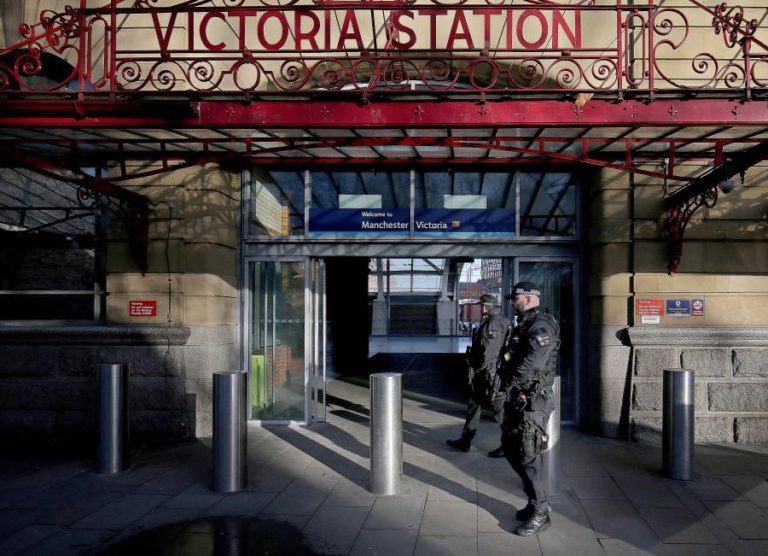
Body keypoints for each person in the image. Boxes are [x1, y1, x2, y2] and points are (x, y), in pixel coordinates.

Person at [499, 281, 560, 536]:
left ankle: (540, 510)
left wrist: (507, 383)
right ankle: (533, 501)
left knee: (527, 451)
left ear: (528, 298)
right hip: (521, 397)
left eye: (515, 298)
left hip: (535, 399)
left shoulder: (540, 325)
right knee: (511, 447)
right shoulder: (524, 324)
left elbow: (533, 364)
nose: (512, 302)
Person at [446, 293, 510, 456]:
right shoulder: (499, 320)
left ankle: (510, 446)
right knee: (474, 405)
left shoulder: (493, 324)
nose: (480, 307)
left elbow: (490, 353)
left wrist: (484, 374)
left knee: (499, 410)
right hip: (488, 373)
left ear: (488, 307)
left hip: (489, 374)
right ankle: (465, 440)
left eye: (482, 305)